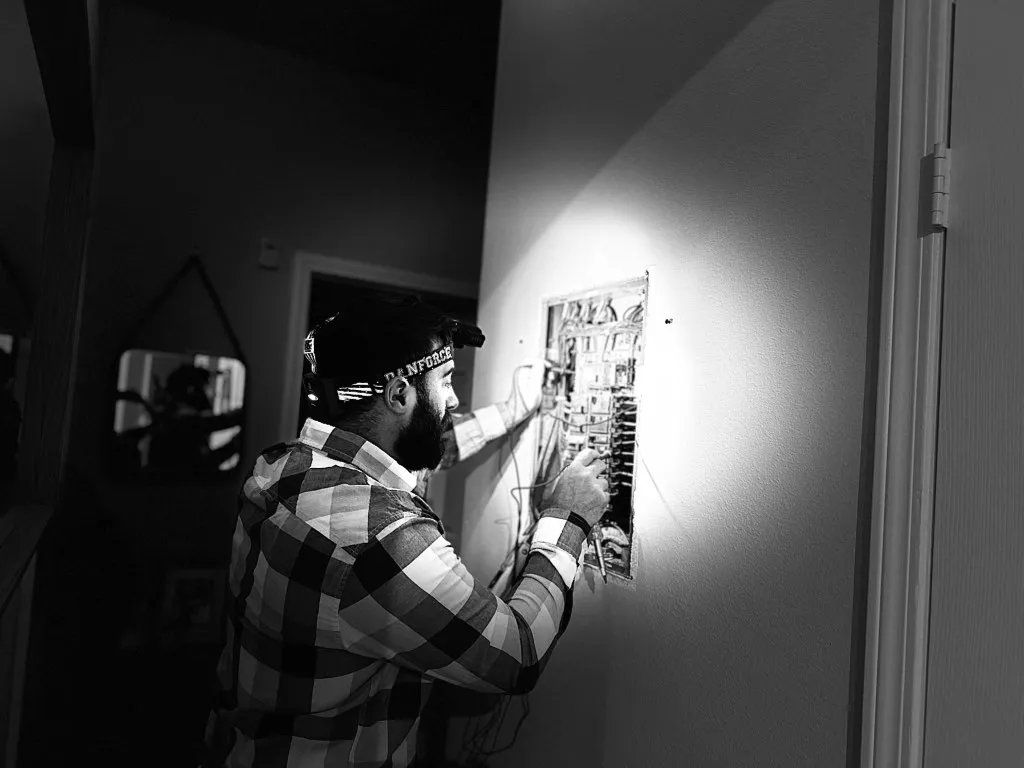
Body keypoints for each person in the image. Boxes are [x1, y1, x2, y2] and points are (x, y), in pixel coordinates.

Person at [204, 296, 608, 767]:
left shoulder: (282, 469)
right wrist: (567, 518)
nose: (455, 399)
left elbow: (417, 451)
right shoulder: (379, 539)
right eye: (448, 380)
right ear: (398, 395)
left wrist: (515, 409)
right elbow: (515, 655)